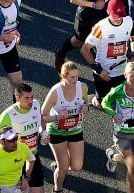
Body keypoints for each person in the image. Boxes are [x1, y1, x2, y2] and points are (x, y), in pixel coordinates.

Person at [101, 62, 134, 192]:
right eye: (132, 76)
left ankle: (112, 155)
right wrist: (113, 113)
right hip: (122, 133)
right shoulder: (118, 90)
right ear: (125, 75)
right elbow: (105, 102)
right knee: (132, 168)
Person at [42, 62, 90, 193]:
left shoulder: (83, 87)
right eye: (72, 77)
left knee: (76, 167)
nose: (75, 80)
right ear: (64, 76)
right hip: (57, 131)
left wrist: (86, 106)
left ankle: (59, 165)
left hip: (75, 129)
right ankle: (57, 189)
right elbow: (42, 116)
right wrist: (46, 130)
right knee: (63, 167)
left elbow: (86, 100)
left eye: (77, 77)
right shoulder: (55, 92)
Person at [0, 84, 46, 192]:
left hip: (32, 155)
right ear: (17, 98)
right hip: (14, 160)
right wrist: (12, 148)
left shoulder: (36, 105)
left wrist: (43, 131)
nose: (30, 101)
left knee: (38, 191)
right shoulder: (8, 115)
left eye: (32, 97)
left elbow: (41, 115)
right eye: (26, 98)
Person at [82, 0, 134, 105]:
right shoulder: (100, 27)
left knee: (125, 101)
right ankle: (91, 98)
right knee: (102, 105)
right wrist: (98, 69)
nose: (119, 19)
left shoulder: (128, 21)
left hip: (122, 70)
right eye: (115, 16)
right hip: (104, 73)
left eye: (121, 16)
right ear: (108, 12)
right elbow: (84, 49)